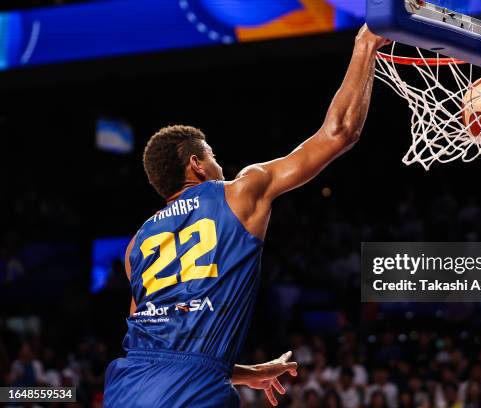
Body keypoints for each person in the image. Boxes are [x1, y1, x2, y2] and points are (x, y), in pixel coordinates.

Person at [103, 25, 389, 407]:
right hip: (192, 388)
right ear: (197, 165)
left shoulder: (137, 245)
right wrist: (366, 43)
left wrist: (245, 373)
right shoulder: (240, 192)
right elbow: (340, 133)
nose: (219, 164)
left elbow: (163, 339)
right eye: (213, 156)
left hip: (128, 386)